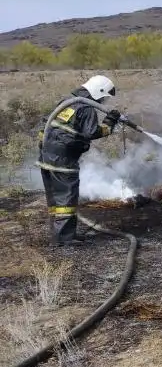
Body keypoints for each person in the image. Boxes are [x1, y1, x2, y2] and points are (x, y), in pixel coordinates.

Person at [35, 75, 122, 246]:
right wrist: (110, 123)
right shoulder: (86, 108)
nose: (103, 101)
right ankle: (64, 239)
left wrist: (46, 148)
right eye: (104, 97)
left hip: (47, 156)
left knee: (55, 199)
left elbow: (46, 125)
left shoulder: (66, 102)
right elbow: (92, 132)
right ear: (99, 92)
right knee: (66, 198)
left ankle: (61, 235)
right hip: (63, 160)